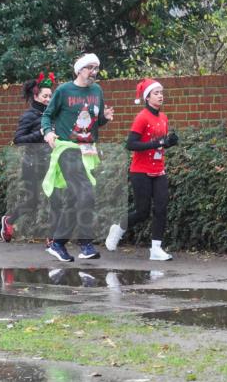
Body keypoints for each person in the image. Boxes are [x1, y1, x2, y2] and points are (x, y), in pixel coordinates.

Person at [40, 52, 114, 262]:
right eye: (89, 68)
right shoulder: (64, 90)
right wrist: (48, 132)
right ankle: (85, 243)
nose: (93, 72)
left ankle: (58, 243)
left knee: (74, 200)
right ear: (79, 69)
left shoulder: (97, 90)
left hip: (87, 150)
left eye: (96, 68)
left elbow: (94, 121)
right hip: (67, 148)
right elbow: (47, 114)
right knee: (86, 192)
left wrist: (105, 119)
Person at [104, 78, 177, 261]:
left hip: (159, 170)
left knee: (161, 208)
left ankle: (156, 249)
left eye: (161, 92)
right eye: (156, 93)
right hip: (140, 171)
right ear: (147, 97)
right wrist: (158, 142)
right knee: (142, 211)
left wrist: (169, 142)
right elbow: (131, 144)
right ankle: (118, 228)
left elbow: (159, 145)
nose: (160, 96)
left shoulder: (163, 118)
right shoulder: (142, 117)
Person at [1, 73, 55, 243]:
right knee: (32, 202)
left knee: (56, 197)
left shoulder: (52, 115)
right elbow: (18, 140)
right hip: (33, 163)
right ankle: (8, 221)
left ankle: (53, 238)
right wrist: (39, 133)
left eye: (50, 96)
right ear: (36, 96)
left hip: (51, 162)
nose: (48, 99)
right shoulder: (29, 116)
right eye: (45, 96)